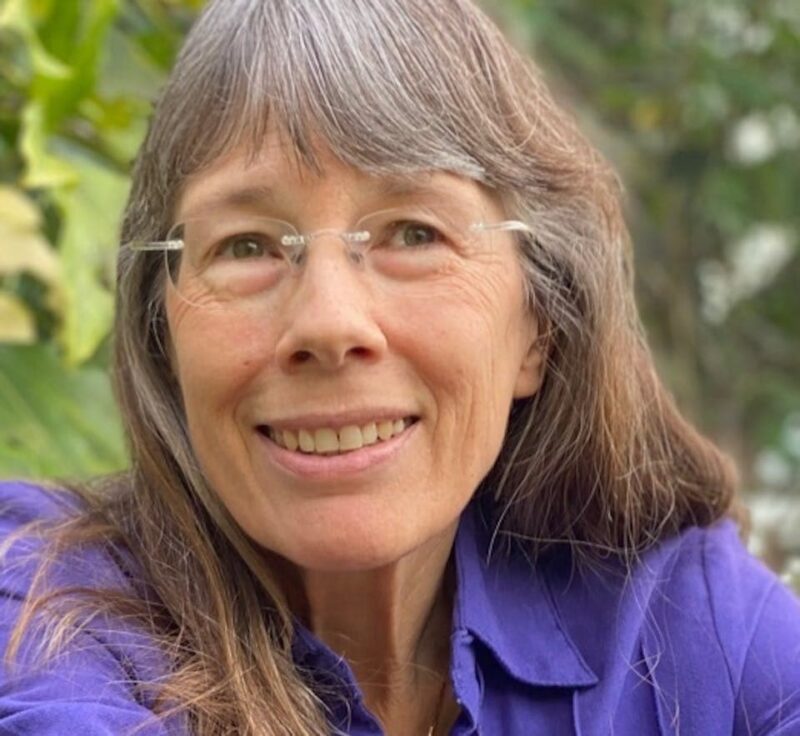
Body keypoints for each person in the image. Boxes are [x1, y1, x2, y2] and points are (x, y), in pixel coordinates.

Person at [1, 0, 799, 734]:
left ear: (539, 325)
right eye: (245, 246)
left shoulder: (700, 632)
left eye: (412, 234)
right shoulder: (41, 601)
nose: (328, 323)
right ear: (163, 332)